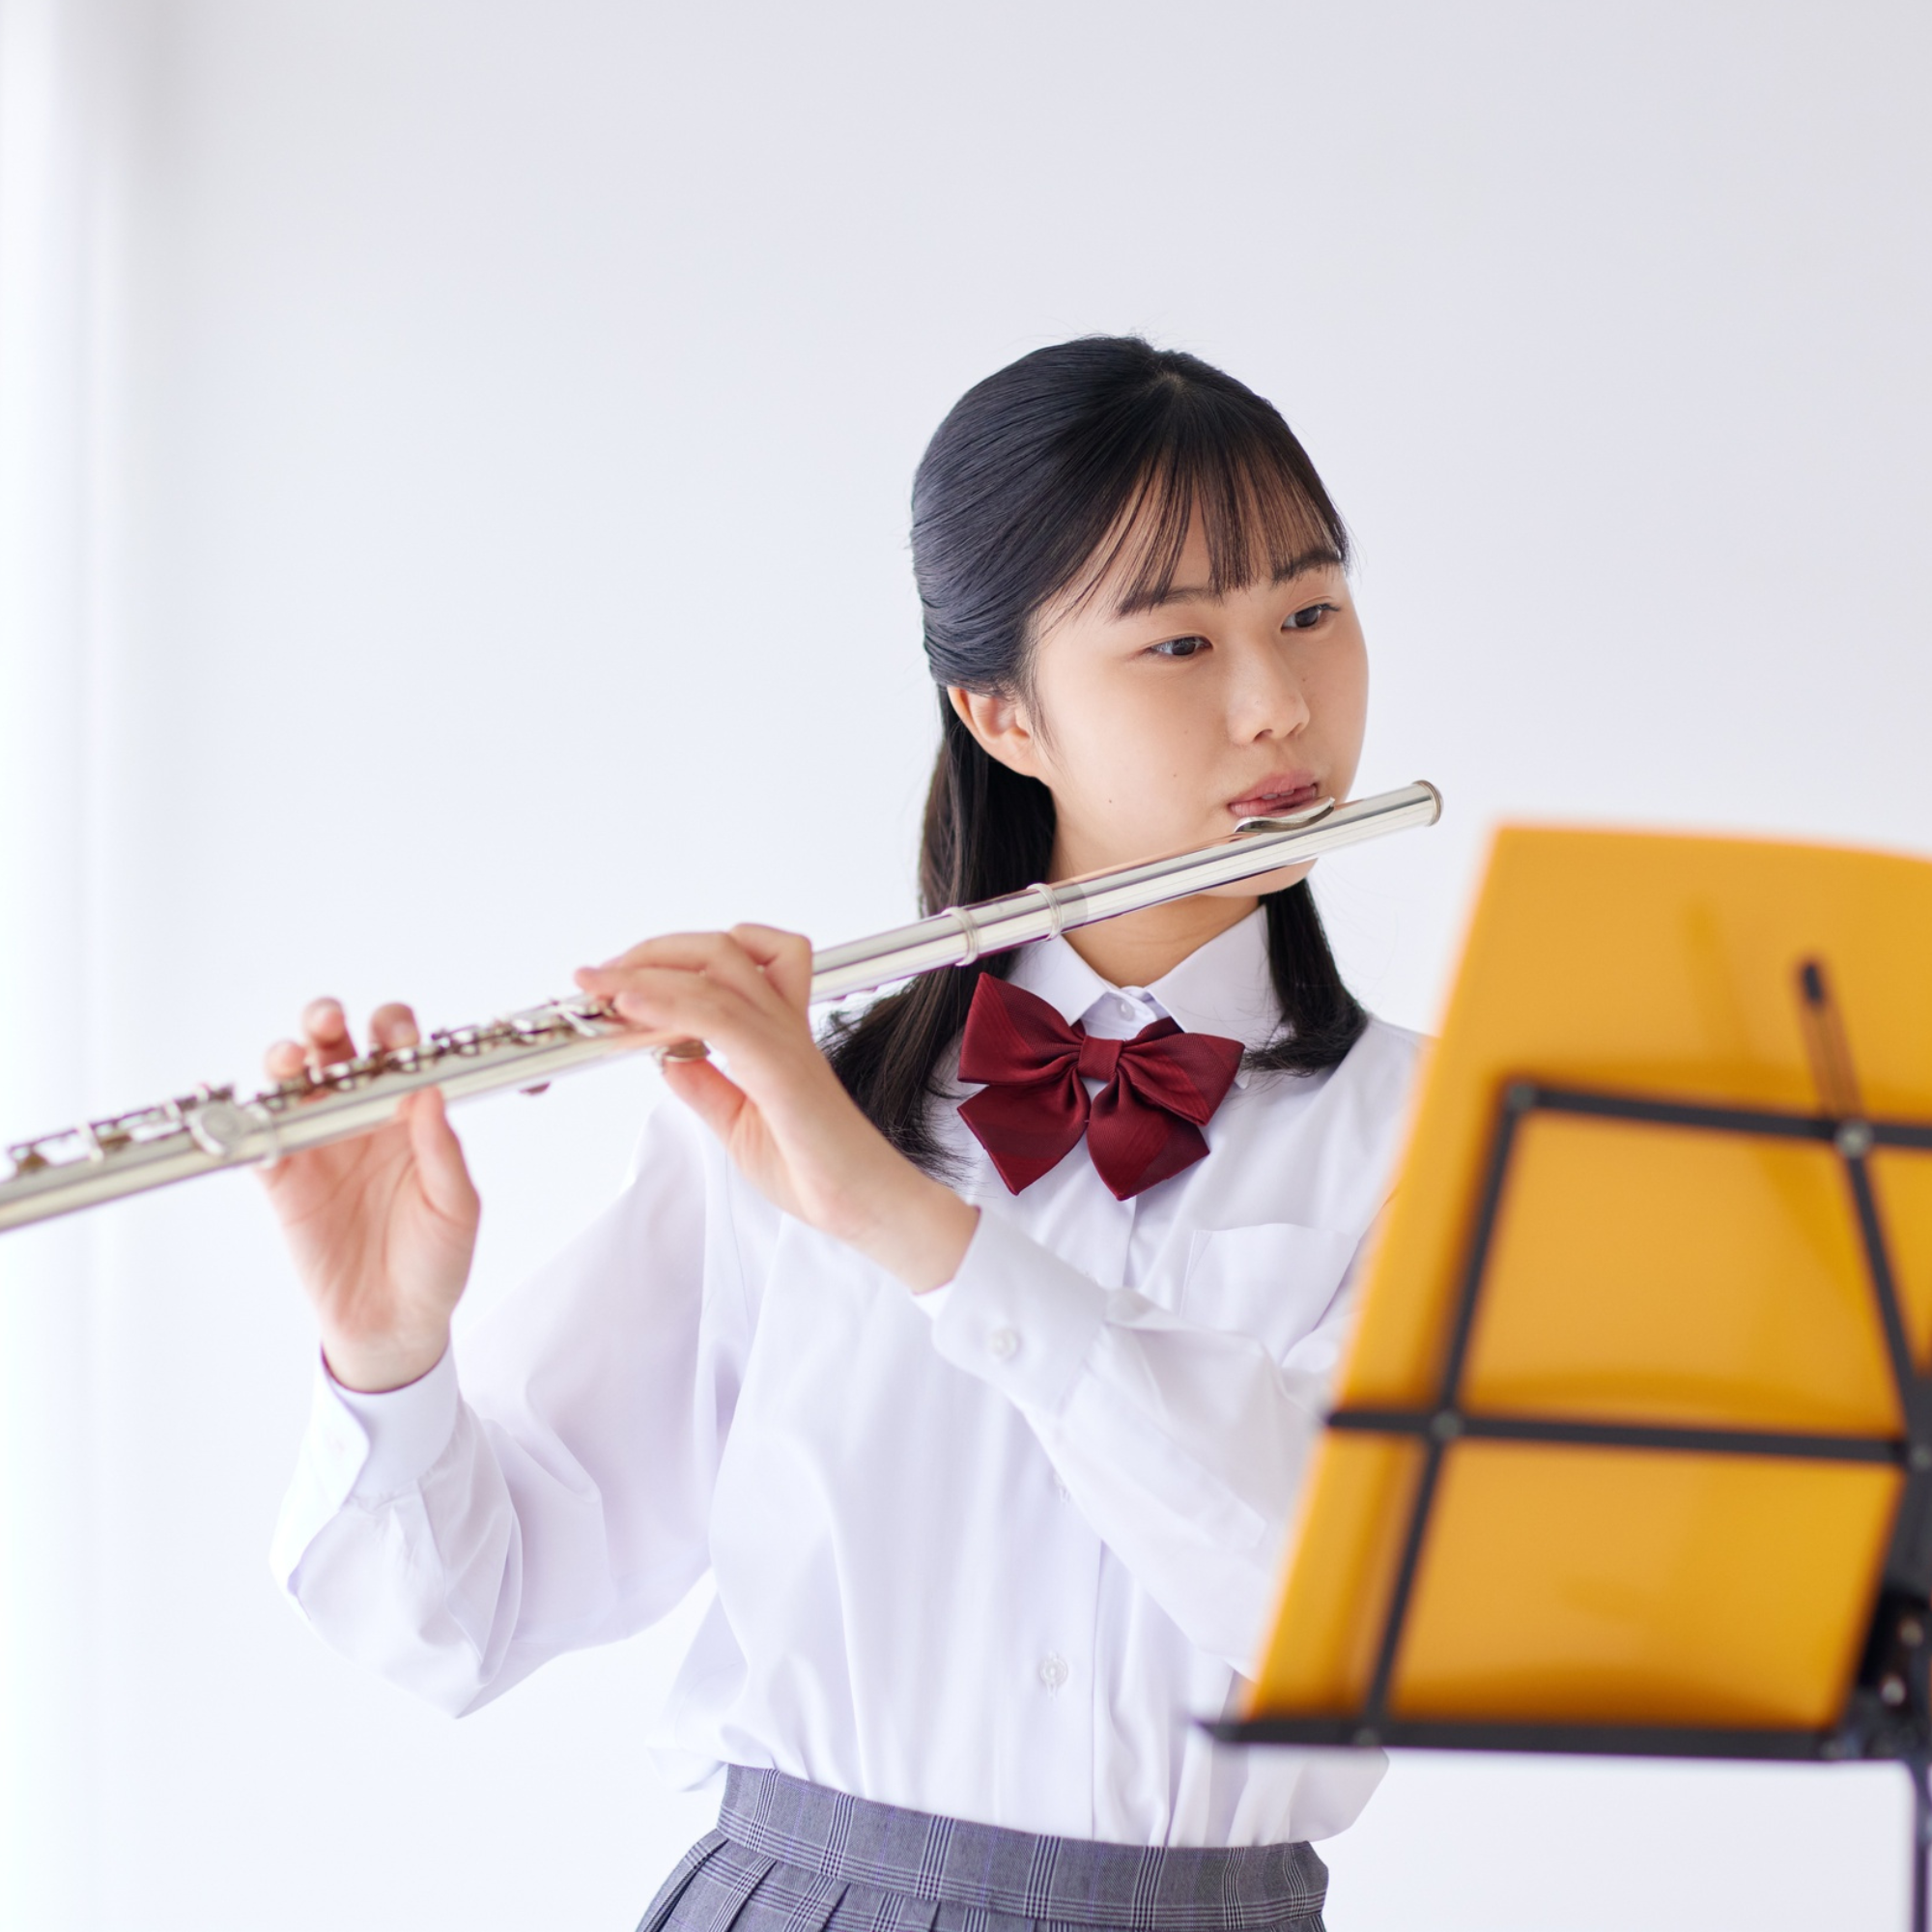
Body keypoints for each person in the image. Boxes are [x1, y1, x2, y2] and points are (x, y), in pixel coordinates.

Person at [265, 336, 1423, 1932]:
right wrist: (386, 1355)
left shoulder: (1434, 1135)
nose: (1279, 702)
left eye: (1310, 611)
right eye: (1176, 644)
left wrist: (915, 1231)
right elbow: (465, 1620)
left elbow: (1338, 1612)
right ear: (1003, 712)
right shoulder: (779, 1108)